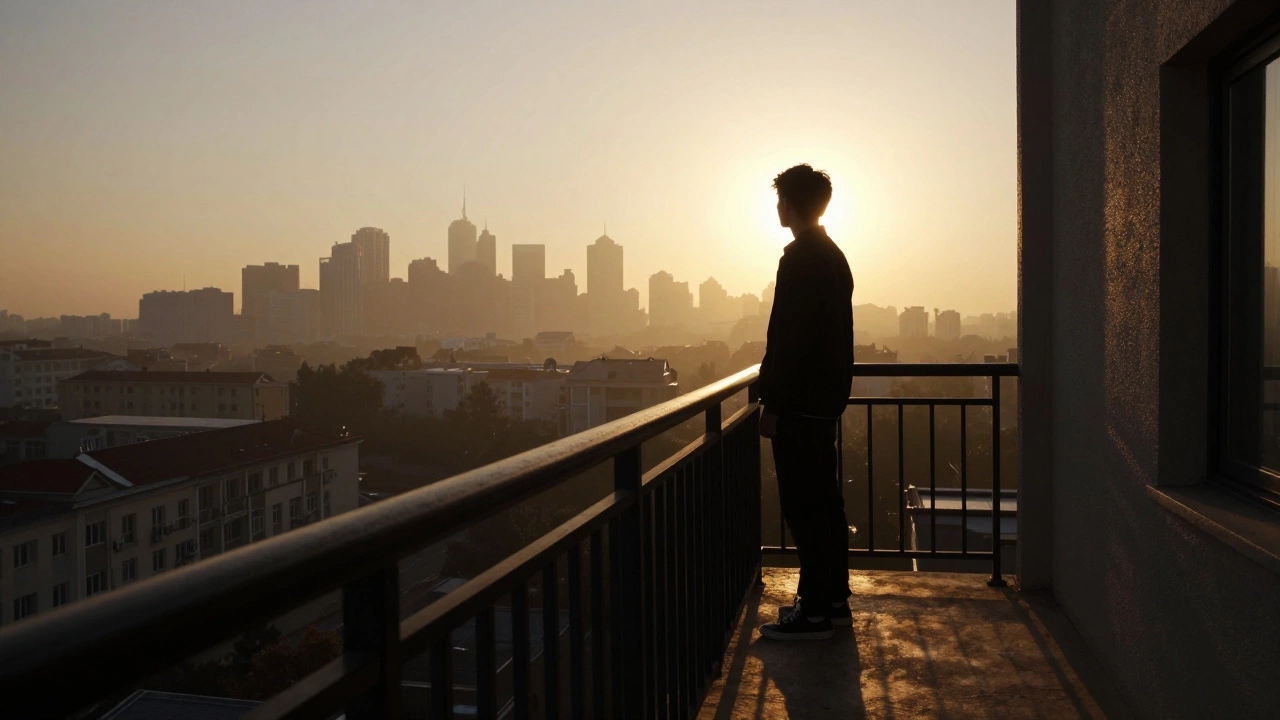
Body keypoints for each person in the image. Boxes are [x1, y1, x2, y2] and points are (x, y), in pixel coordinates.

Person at [757, 164, 854, 641]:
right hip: (824, 401)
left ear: (791, 206)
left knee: (804, 508)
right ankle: (833, 601)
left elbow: (789, 338)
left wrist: (772, 401)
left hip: (799, 405)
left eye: (781, 201)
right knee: (826, 504)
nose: (778, 209)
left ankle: (814, 612)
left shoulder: (799, 259)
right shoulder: (833, 256)